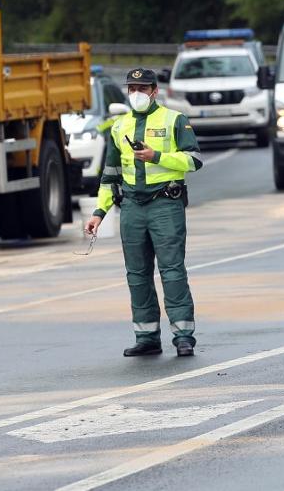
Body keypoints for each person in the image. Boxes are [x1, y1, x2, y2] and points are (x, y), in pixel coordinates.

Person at [85, 67, 203, 357]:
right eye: (132, 89)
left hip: (165, 204)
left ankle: (183, 335)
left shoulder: (175, 120)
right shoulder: (118, 126)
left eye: (143, 88)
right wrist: (99, 212)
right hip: (132, 208)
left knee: (172, 270)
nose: (136, 94)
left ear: (154, 91)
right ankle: (147, 335)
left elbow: (194, 160)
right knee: (137, 274)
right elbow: (110, 175)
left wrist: (157, 156)